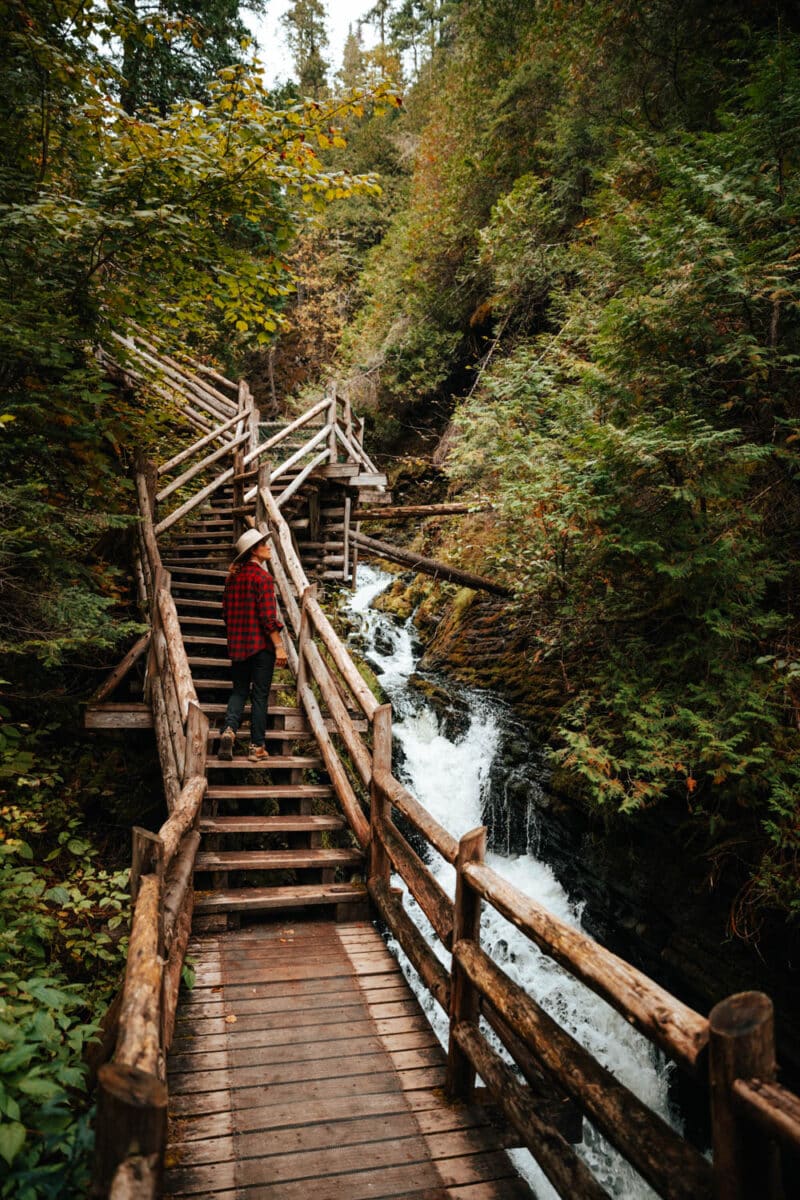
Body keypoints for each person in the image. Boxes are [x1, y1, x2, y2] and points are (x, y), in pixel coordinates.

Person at [218, 528, 288, 762]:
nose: (269, 547)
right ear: (254, 552)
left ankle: (229, 730)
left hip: (238, 646)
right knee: (259, 695)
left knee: (239, 690)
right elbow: (268, 617)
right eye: (264, 544)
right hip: (260, 648)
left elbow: (226, 614)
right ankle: (256, 746)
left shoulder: (232, 580)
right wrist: (278, 646)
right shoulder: (263, 579)